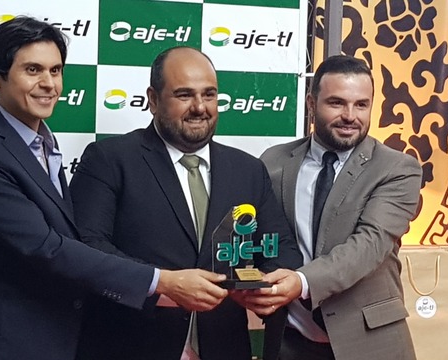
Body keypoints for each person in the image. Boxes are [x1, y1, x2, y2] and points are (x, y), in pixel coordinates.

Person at [0, 17, 229, 360]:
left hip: (48, 339)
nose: (48, 84)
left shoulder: (42, 143)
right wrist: (161, 281)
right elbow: (46, 247)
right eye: (33, 70)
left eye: (55, 71)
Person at [69, 46, 303, 360]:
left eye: (209, 95)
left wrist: (269, 287)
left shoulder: (248, 170)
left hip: (224, 347)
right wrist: (162, 285)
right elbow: (87, 246)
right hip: (130, 345)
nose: (199, 107)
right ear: (153, 100)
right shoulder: (109, 159)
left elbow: (280, 247)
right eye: (184, 95)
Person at [247, 55, 422, 359]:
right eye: (337, 103)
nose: (350, 116)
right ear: (311, 104)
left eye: (361, 105)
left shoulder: (398, 168)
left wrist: (301, 282)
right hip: (289, 340)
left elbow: (368, 245)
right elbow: (260, 240)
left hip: (371, 343)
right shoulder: (274, 162)